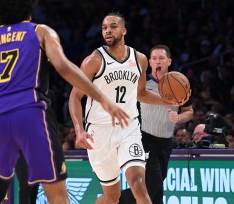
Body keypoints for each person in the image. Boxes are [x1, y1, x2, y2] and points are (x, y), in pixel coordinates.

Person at [0, 1, 129, 203]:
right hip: (31, 113)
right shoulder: (40, 31)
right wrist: (102, 98)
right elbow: (64, 67)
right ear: (30, 7)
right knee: (57, 194)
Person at [69, 13, 187, 204]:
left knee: (139, 183)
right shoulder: (94, 61)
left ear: (124, 31)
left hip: (129, 128)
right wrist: (79, 130)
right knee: (112, 197)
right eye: (104, 27)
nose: (107, 30)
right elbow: (75, 96)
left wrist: (169, 100)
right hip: (99, 132)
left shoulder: (139, 59)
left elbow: (141, 94)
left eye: (113, 26)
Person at [137, 45, 193, 204]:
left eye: (161, 58)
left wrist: (179, 118)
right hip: (145, 139)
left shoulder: (180, 82)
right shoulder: (142, 82)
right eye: (154, 58)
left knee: (155, 182)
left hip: (167, 141)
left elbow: (189, 111)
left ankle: (127, 199)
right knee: (155, 185)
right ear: (149, 62)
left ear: (169, 61)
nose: (157, 61)